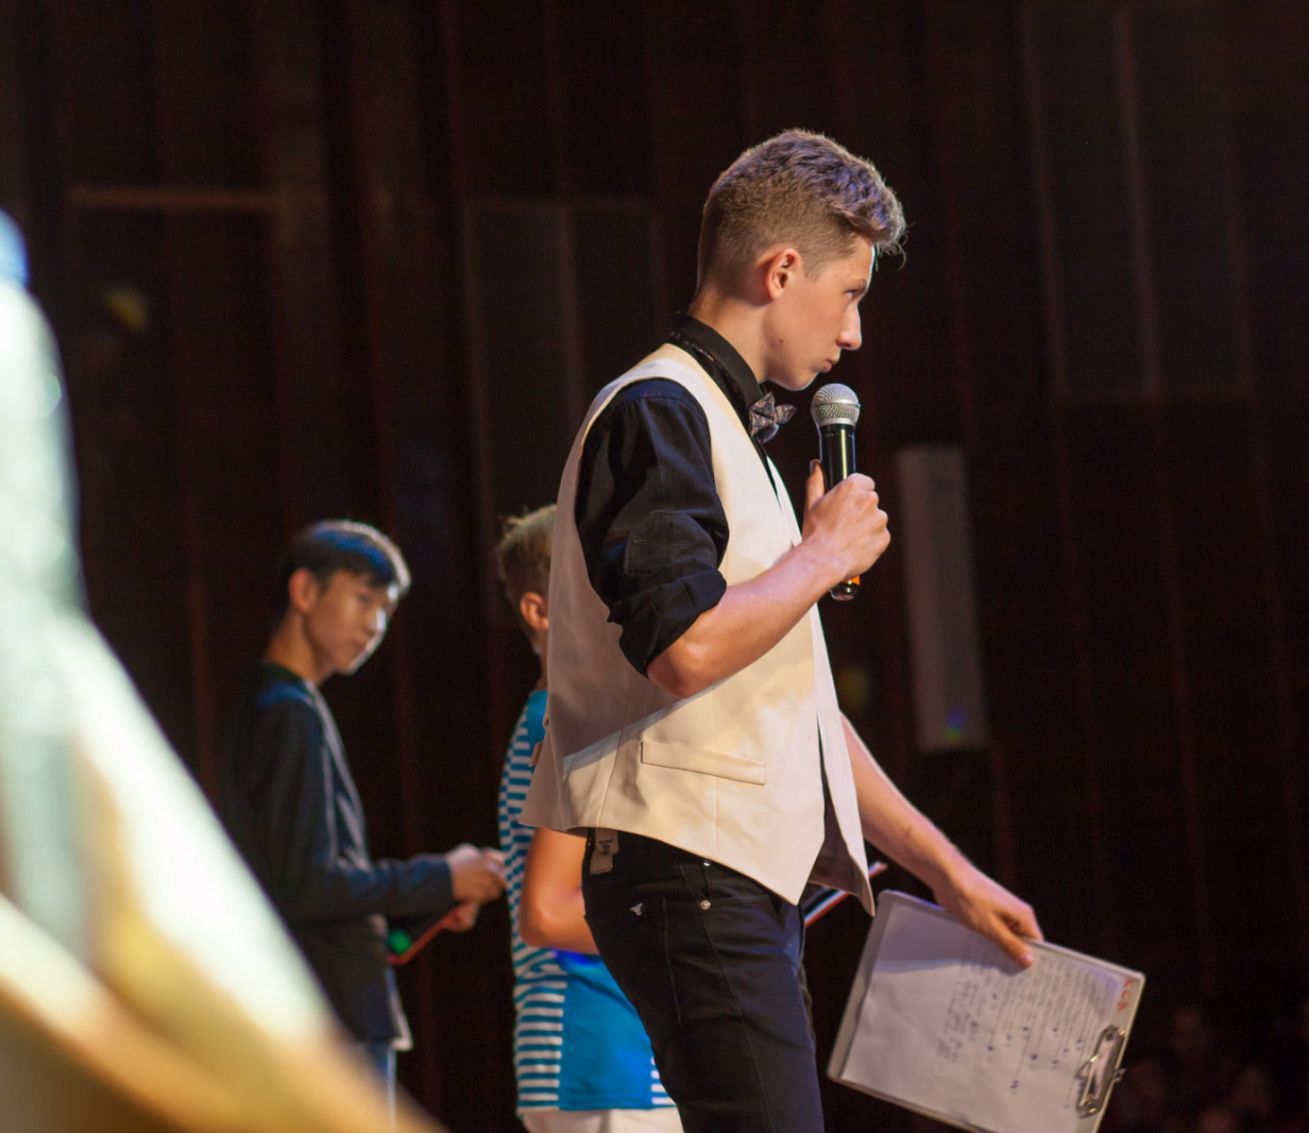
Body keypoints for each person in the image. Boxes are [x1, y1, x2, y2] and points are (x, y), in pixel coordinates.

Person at [523, 128, 1042, 1131]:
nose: (853, 333)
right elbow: (682, 648)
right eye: (849, 294)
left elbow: (794, 710)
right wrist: (820, 556)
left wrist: (947, 870)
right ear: (782, 269)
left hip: (727, 878)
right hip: (688, 870)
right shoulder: (659, 409)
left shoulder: (732, 438)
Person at [215, 519, 506, 1117]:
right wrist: (441, 876)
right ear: (305, 591)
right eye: (363, 598)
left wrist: (432, 900)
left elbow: (302, 882)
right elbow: (310, 885)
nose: (374, 625)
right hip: (335, 1016)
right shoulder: (288, 713)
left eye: (385, 610)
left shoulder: (277, 706)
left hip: (318, 1007)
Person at [494, 506, 681, 1132]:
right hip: (597, 1056)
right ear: (539, 611)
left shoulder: (562, 716)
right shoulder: (566, 718)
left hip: (609, 1058)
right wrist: (686, 924)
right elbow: (549, 914)